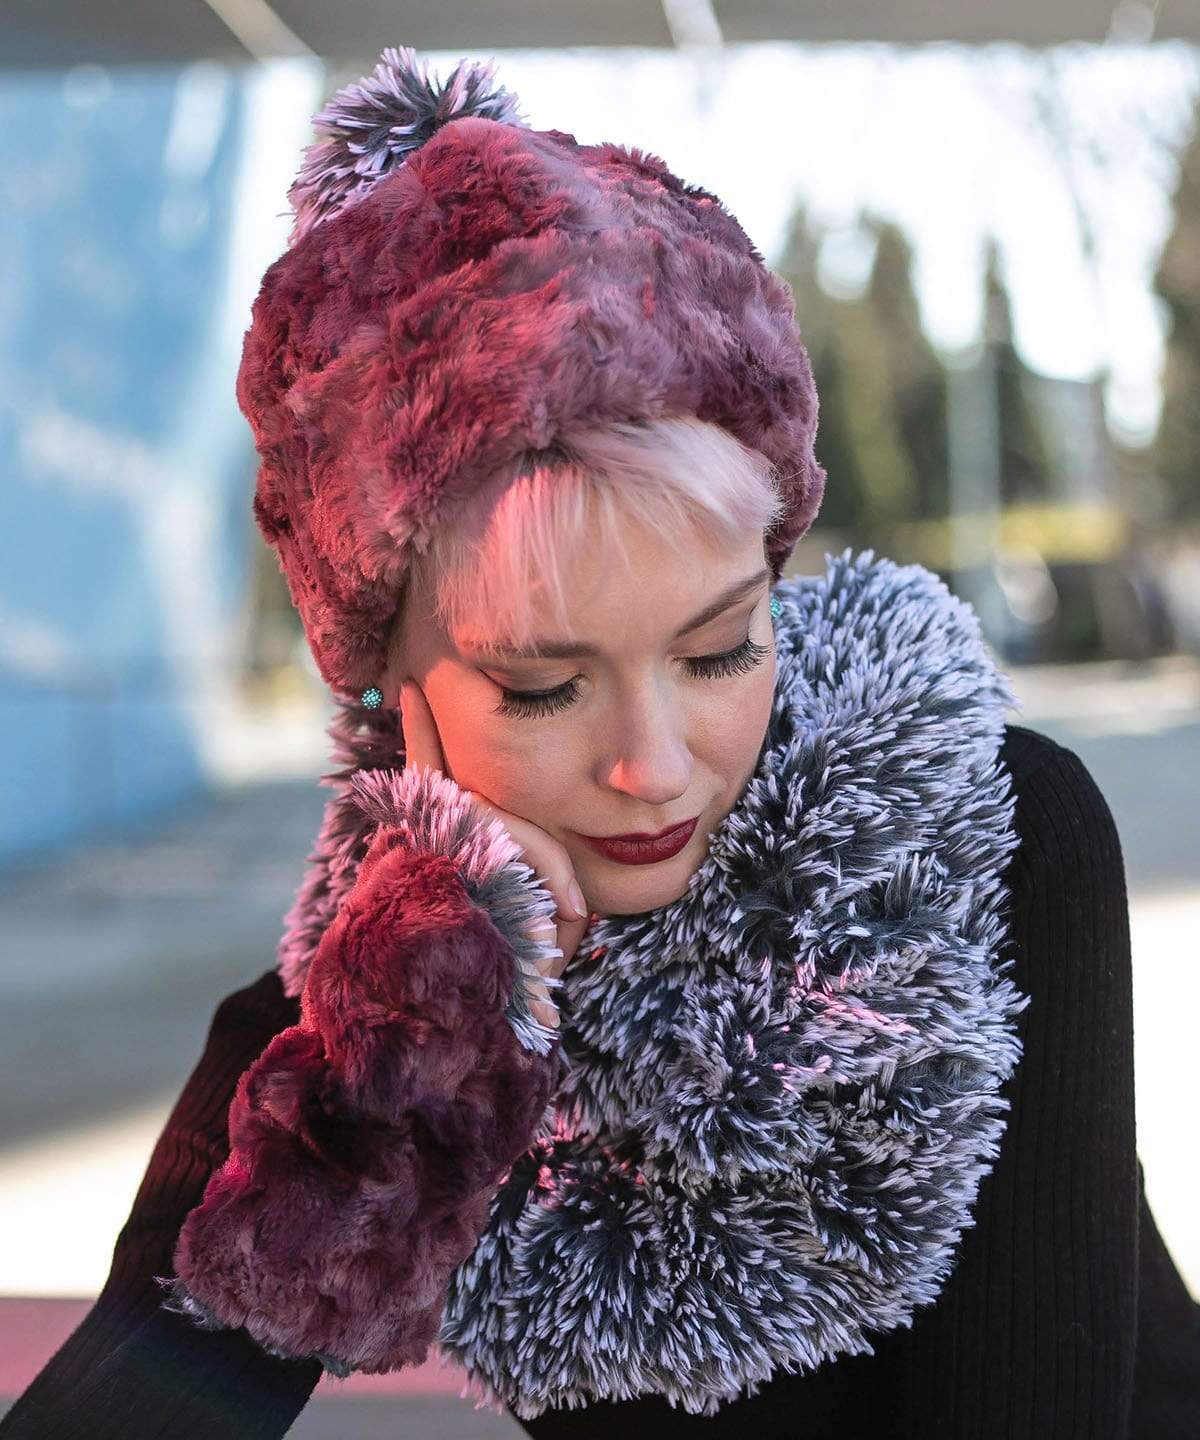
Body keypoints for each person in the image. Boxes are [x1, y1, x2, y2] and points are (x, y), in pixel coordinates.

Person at [3, 44, 1198, 1440]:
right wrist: (382, 1107)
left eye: (717, 649)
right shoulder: (341, 1032)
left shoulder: (974, 839)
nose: (656, 765)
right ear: (390, 679)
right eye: (542, 687)